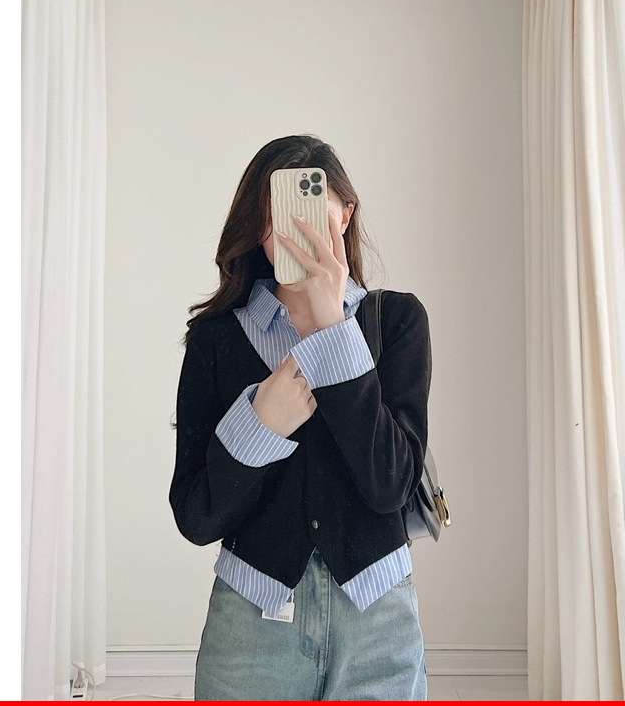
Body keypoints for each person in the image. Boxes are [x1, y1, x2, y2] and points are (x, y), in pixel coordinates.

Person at [169, 134, 432, 701]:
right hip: (251, 626)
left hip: (379, 622)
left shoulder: (397, 323)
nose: (290, 232)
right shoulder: (215, 340)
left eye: (308, 210)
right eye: (272, 218)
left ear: (345, 214)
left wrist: (334, 327)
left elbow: (390, 484)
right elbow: (196, 516)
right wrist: (260, 423)